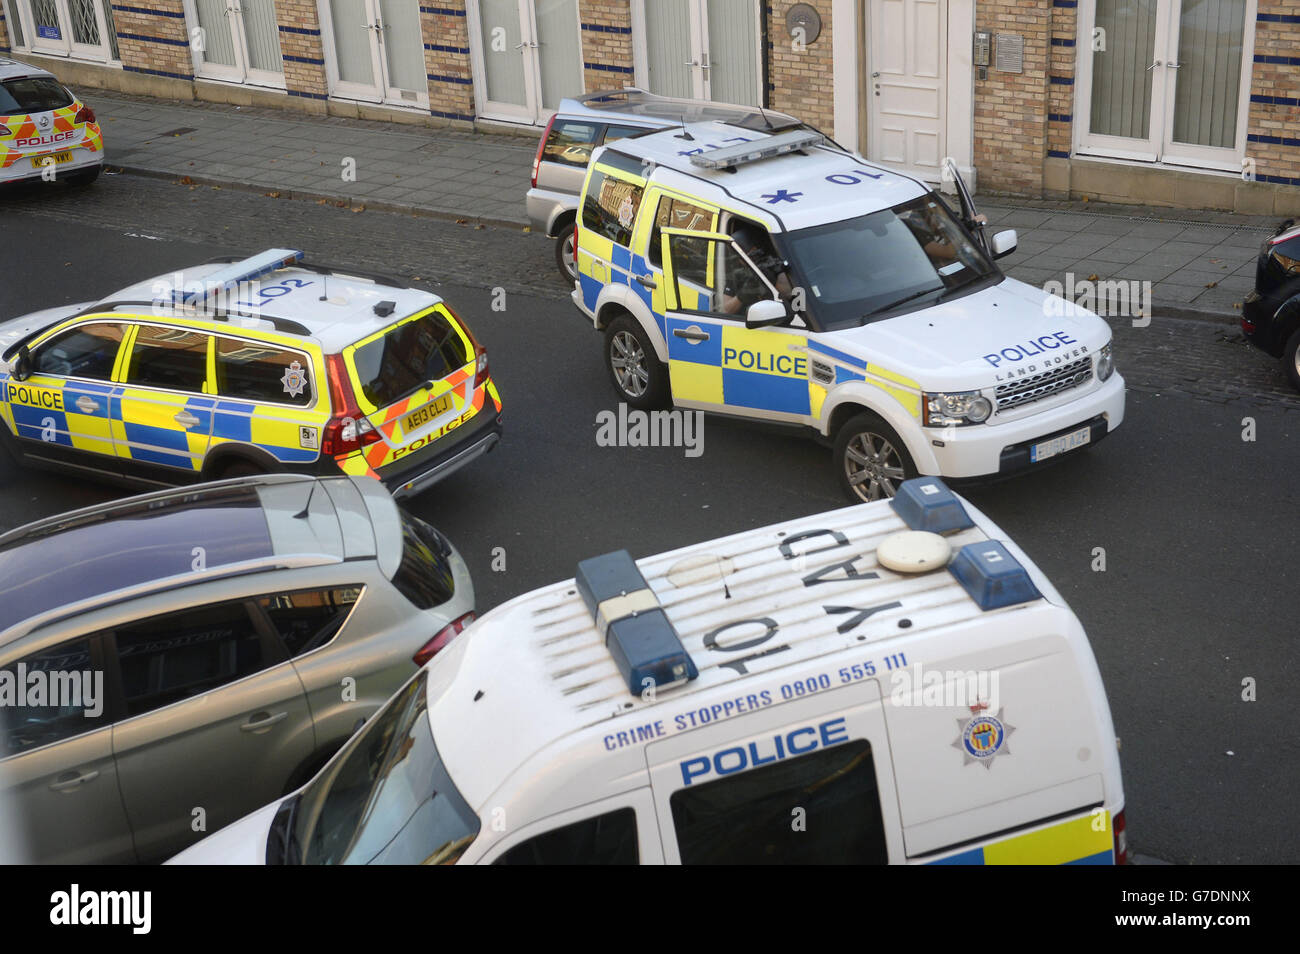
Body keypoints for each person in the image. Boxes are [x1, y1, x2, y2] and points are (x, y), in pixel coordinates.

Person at [721, 225, 794, 315]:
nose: (740, 260)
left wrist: (773, 278)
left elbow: (788, 294)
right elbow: (727, 310)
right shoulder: (738, 273)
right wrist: (743, 293)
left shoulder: (771, 266)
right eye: (739, 256)